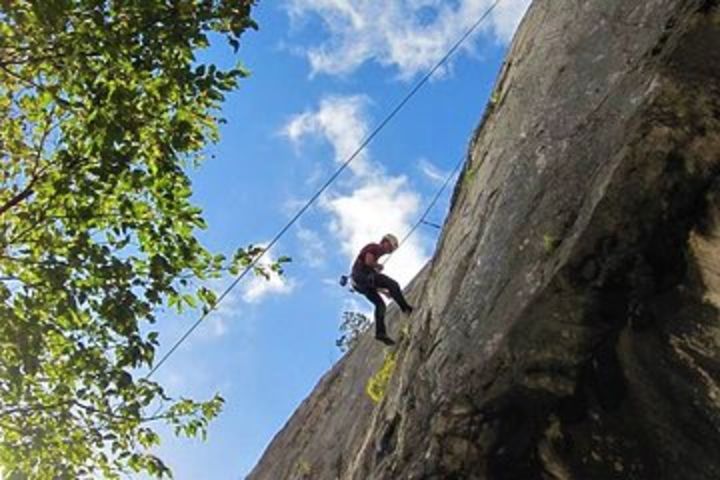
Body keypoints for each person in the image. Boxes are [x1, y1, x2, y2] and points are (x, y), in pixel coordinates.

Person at [351, 234, 414, 345]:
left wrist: (384, 292)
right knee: (393, 284)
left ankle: (380, 333)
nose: (389, 251)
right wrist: (377, 266)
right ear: (385, 242)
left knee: (380, 305)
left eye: (391, 250)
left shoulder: (376, 252)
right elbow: (368, 262)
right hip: (360, 277)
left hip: (360, 284)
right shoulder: (375, 247)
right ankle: (405, 309)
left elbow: (371, 279)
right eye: (390, 248)